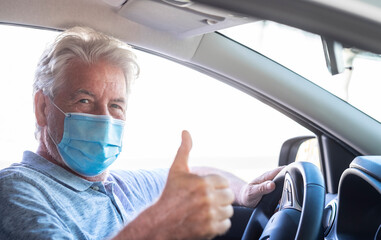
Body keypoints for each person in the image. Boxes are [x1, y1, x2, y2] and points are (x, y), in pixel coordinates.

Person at [0, 27, 283, 240]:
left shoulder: (121, 185)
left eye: (115, 105)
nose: (104, 118)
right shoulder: (17, 190)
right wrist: (156, 226)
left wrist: (244, 192)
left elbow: (198, 175)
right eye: (84, 101)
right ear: (42, 108)